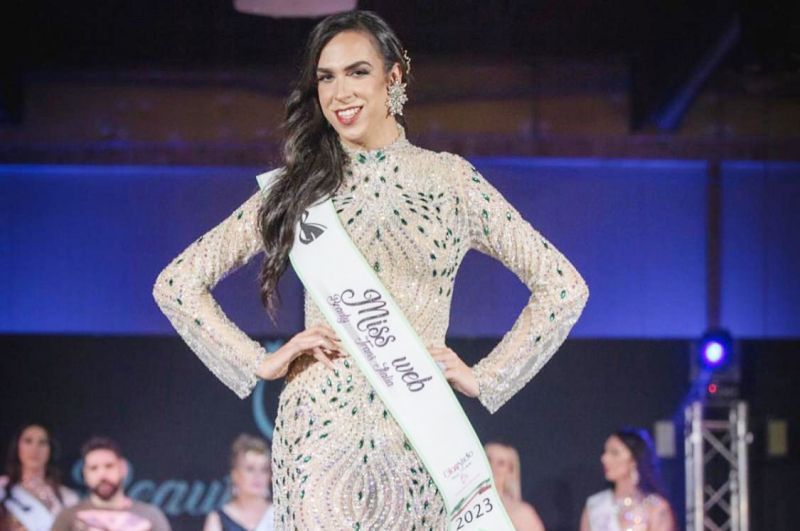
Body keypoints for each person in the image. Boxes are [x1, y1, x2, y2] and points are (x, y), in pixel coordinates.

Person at [153, 10, 588, 529]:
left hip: (419, 435)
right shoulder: (299, 188)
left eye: (357, 72)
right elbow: (178, 284)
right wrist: (258, 362)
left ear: (394, 76)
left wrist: (486, 377)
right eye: (326, 77)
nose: (340, 93)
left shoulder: (451, 182)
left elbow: (563, 287)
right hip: (318, 437)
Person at [51, 436, 171, 531]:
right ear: (85, 474)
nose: (102, 475)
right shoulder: (68, 518)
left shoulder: (150, 516)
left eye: (109, 466)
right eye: (94, 468)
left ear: (123, 468)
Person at [580, 429, 675, 531]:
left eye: (614, 453)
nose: (604, 458)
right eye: (605, 452)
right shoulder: (595, 505)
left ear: (634, 460)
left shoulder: (655, 507)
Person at [0, 423, 78, 531]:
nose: (35, 449)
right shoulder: (2, 489)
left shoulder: (67, 498)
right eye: (28, 441)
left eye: (42, 443)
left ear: (50, 449)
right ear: (17, 447)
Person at [203, 434, 273, 531]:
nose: (258, 476)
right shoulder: (218, 518)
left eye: (264, 470)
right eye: (250, 469)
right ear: (235, 474)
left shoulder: (278, 514)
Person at [485, 442, 545, 531]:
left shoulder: (521, 513)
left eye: (501, 463)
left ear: (510, 471)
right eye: (488, 460)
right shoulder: (466, 508)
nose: (492, 467)